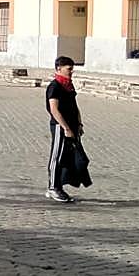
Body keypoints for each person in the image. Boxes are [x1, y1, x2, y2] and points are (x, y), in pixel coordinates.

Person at [46, 56, 85, 204]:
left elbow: (75, 106)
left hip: (72, 126)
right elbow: (54, 109)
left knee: (66, 158)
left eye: (72, 68)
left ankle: (59, 186)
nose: (71, 71)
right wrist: (65, 128)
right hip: (60, 126)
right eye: (68, 69)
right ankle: (52, 187)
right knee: (57, 156)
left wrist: (79, 124)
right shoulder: (55, 86)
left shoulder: (68, 85)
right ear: (58, 69)